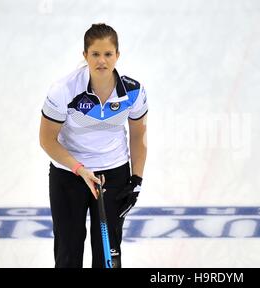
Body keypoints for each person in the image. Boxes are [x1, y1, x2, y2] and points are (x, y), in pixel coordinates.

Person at [39, 23, 148, 268]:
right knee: (68, 252)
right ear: (85, 55)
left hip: (113, 175)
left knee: (108, 256)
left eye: (108, 54)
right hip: (69, 174)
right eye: (95, 54)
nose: (102, 61)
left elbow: (139, 136)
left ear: (117, 55)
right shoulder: (63, 91)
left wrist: (136, 180)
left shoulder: (133, 91)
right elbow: (47, 140)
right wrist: (79, 169)